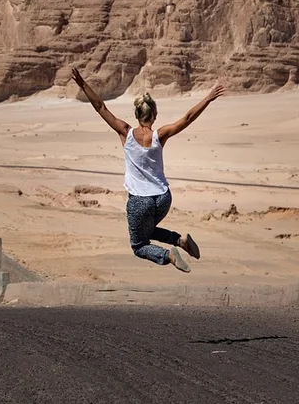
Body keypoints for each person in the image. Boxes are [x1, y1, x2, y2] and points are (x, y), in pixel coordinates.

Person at [70, 68, 225, 273]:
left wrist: (82, 84)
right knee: (148, 229)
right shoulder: (160, 135)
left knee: (139, 245)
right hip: (163, 198)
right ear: (155, 115)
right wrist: (208, 99)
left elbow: (100, 107)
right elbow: (187, 118)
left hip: (139, 200)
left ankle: (168, 254)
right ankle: (180, 241)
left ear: (136, 115)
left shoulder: (125, 132)